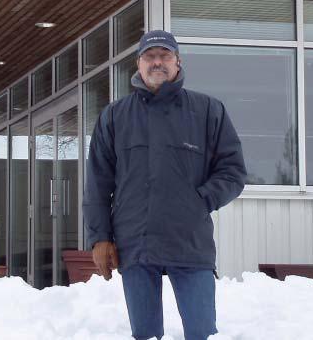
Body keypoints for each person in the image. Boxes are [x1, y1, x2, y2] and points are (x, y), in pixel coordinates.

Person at [83, 29, 247, 340]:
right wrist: (100, 238)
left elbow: (233, 171)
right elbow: (97, 184)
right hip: (135, 244)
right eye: (150, 56)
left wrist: (197, 201)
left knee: (202, 333)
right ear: (139, 63)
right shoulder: (115, 116)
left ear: (178, 62)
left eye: (165, 56)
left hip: (189, 242)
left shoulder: (209, 111)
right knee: (145, 335)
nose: (157, 62)